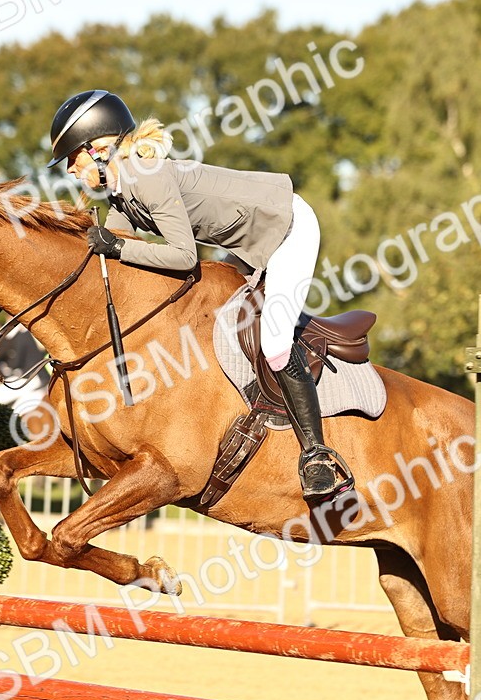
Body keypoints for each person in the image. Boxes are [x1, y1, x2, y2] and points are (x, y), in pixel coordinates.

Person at [47, 89, 353, 502]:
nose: (70, 169)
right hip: (249, 249)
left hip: (287, 230)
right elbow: (118, 251)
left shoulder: (147, 174)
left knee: (276, 342)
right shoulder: (122, 191)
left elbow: (183, 256)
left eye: (73, 157)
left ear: (99, 148)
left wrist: (116, 247)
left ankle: (318, 455)